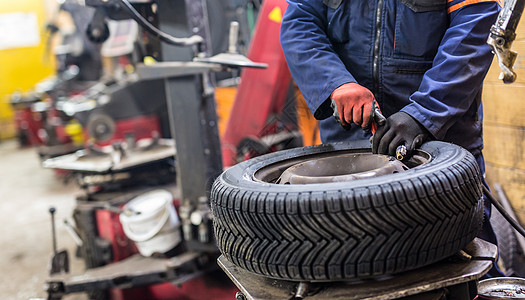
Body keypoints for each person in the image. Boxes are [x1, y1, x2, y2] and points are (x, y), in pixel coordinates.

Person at [281, 0, 502, 276]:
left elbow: (475, 27)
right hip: (350, 143)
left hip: (440, 145)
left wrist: (423, 114)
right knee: (352, 268)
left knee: (465, 262)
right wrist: (336, 82)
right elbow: (300, 21)